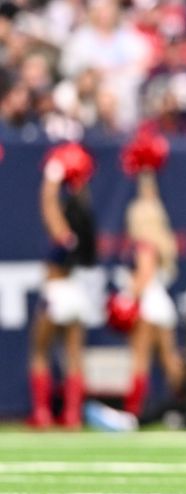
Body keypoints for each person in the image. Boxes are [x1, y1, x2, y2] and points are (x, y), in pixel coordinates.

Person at [115, 127, 184, 416]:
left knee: (140, 359)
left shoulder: (144, 244)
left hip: (147, 302)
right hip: (162, 302)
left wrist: (128, 298)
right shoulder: (162, 237)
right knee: (170, 359)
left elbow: (142, 275)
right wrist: (146, 171)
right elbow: (151, 202)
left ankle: (132, 411)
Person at [28, 142, 97, 429]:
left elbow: (48, 207)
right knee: (73, 355)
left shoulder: (67, 227)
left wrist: (53, 175)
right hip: (79, 293)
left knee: (40, 352)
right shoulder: (87, 216)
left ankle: (43, 413)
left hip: (58, 291)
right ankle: (71, 415)